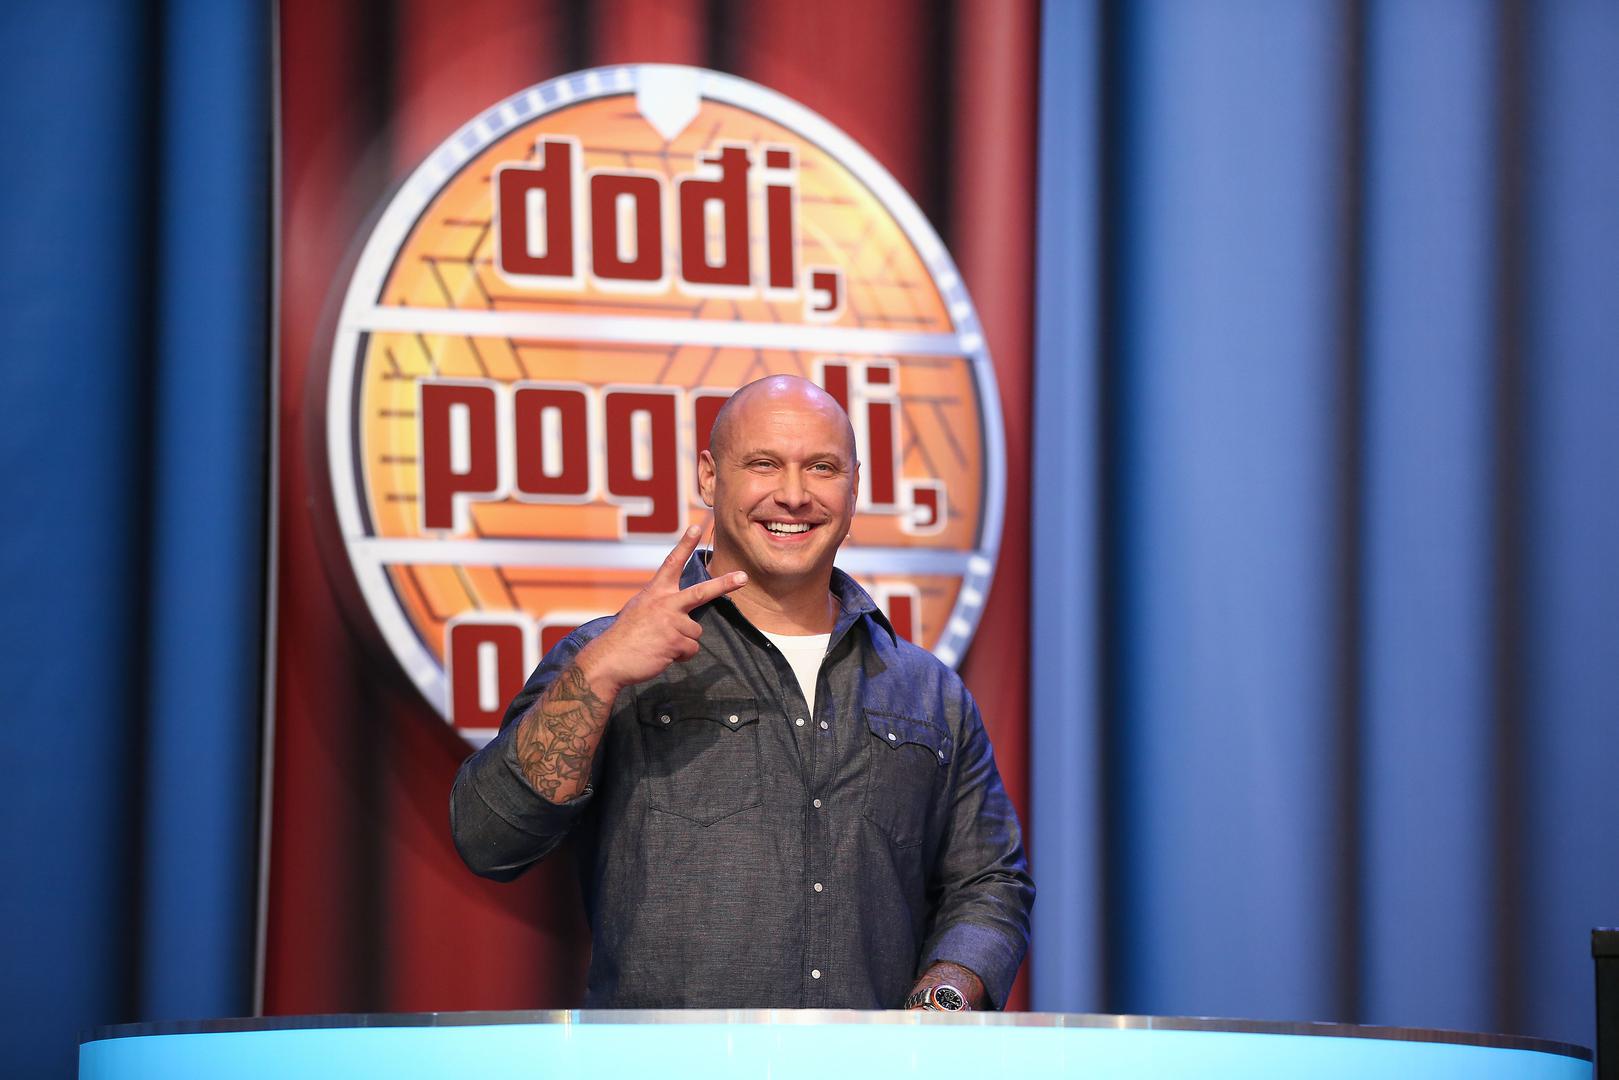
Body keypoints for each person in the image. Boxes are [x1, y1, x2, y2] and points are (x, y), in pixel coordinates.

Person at [450, 374, 1033, 1011]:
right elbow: (489, 838)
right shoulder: (611, 656)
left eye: (822, 467)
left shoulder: (927, 691)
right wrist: (598, 675)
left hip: (870, 1063)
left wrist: (941, 1000)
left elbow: (989, 881)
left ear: (855, 488)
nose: (794, 495)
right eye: (763, 464)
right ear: (709, 477)